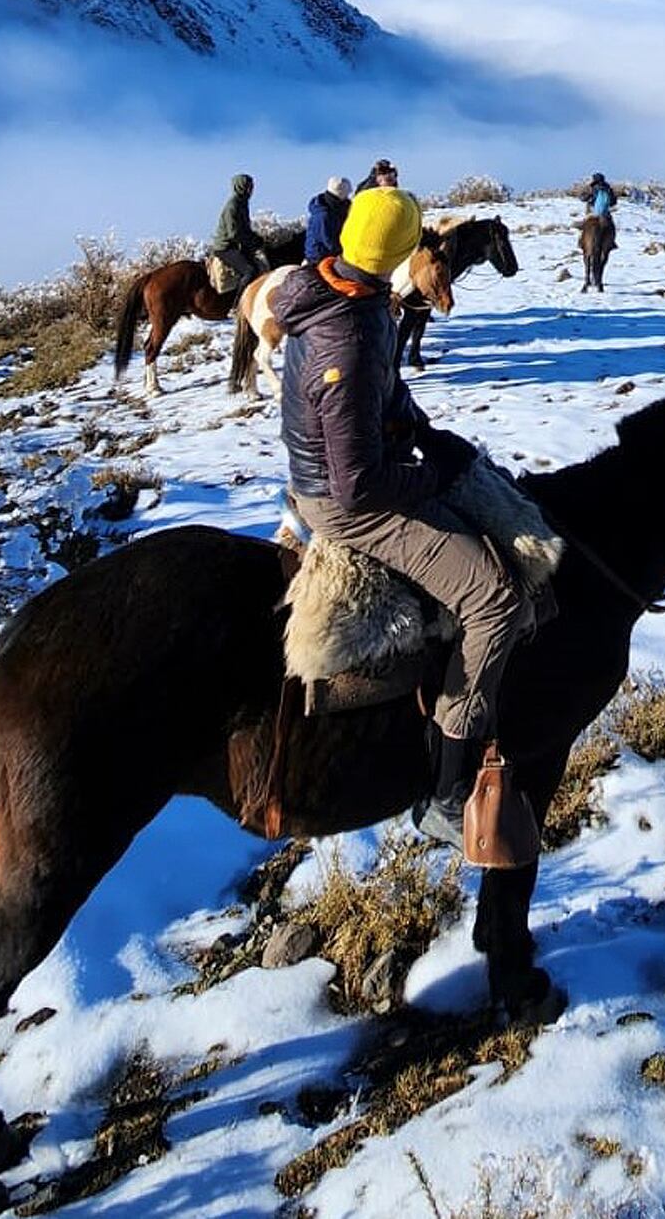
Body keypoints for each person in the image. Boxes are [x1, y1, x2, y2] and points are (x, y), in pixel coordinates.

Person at [274, 186, 534, 853]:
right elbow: (358, 485)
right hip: (346, 503)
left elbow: (386, 389)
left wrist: (425, 431)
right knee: (495, 598)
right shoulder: (348, 339)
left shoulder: (337, 287)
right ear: (399, 252)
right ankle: (446, 793)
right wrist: (432, 477)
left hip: (347, 468)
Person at [207, 173, 267, 292]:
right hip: (226, 248)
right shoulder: (233, 206)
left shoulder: (242, 203)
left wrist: (257, 239)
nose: (251, 190)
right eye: (248, 187)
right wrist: (251, 241)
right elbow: (233, 233)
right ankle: (238, 301)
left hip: (237, 244)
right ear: (240, 187)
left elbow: (245, 229)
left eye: (251, 187)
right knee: (250, 271)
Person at [303, 176, 352, 264]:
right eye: (347, 193)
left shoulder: (341, 207)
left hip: (334, 253)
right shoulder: (323, 215)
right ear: (341, 193)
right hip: (320, 257)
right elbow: (329, 242)